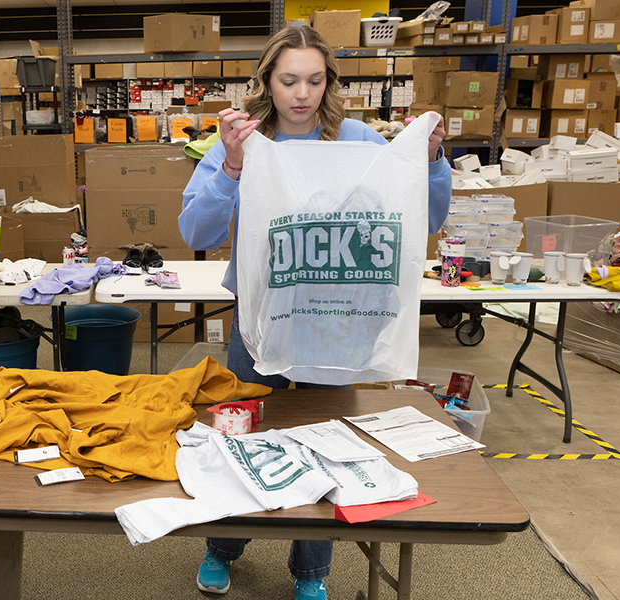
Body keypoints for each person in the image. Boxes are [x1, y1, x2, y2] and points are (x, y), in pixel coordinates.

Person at [177, 26, 450, 600]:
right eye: (288, 80)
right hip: (259, 323)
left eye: (314, 79)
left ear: (329, 82)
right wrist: (228, 167)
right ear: (267, 82)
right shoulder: (242, 140)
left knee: (327, 445)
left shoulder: (356, 140)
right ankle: (222, 547)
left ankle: (310, 573)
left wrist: (428, 161)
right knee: (243, 440)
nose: (301, 93)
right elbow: (196, 231)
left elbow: (421, 218)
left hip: (337, 320)